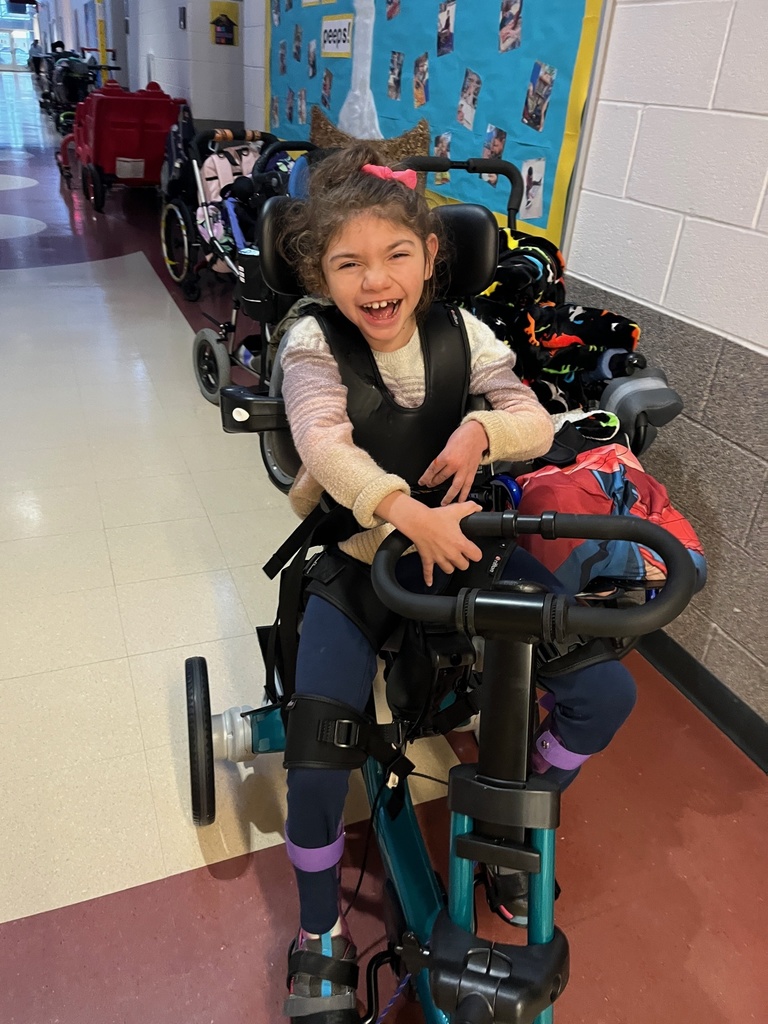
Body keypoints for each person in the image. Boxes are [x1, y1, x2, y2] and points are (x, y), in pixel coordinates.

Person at [275, 144, 638, 1022]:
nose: (376, 280)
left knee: (605, 696)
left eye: (396, 255)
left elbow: (528, 413)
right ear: (322, 275)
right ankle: (319, 931)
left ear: (431, 257)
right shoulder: (309, 342)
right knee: (320, 752)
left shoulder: (464, 333)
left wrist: (480, 432)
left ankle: (518, 825)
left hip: (472, 544)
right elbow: (324, 443)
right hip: (362, 557)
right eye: (348, 263)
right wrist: (405, 511)